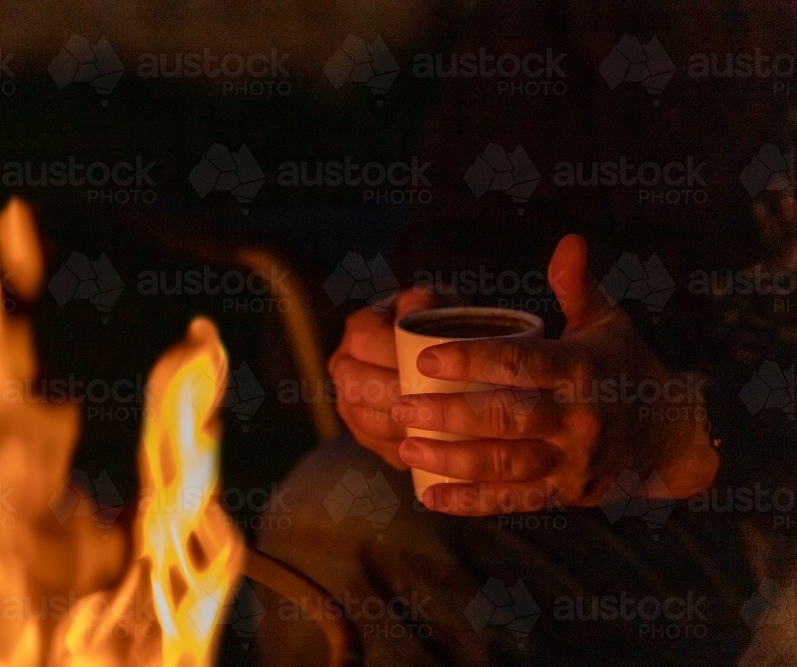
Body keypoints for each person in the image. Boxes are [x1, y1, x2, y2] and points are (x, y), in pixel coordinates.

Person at [255, 2, 797, 665]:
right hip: (657, 493)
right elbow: (479, 227)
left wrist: (687, 427)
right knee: (334, 520)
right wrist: (447, 361)